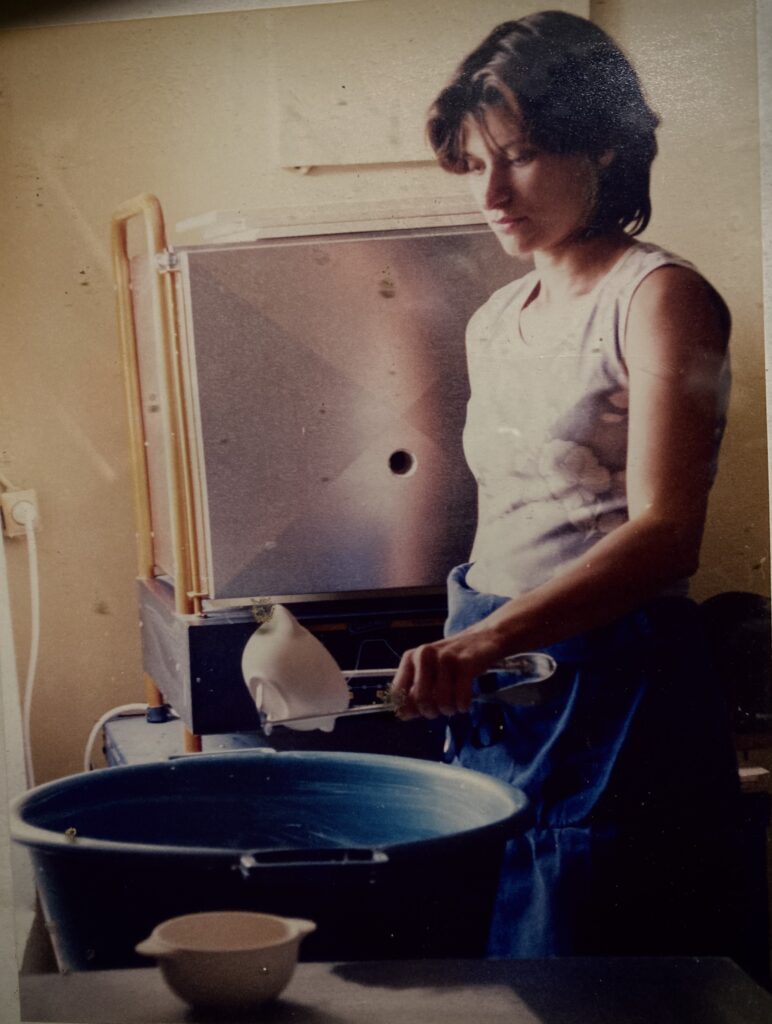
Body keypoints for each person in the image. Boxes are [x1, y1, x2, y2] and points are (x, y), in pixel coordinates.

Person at [390, 10, 750, 970]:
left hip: (620, 696)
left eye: (526, 155)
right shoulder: (497, 318)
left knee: (601, 960)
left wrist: (488, 641)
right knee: (503, 953)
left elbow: (669, 534)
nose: (493, 192)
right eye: (476, 163)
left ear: (608, 144)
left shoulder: (661, 296)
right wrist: (478, 645)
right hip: (509, 696)